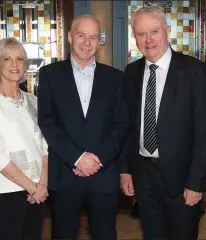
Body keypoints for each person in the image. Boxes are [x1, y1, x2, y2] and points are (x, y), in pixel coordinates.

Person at [119, 6, 206, 240]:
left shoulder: (194, 70)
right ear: (135, 38)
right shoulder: (131, 72)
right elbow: (126, 127)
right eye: (141, 34)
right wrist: (125, 170)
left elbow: (204, 132)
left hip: (182, 180)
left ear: (166, 31)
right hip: (143, 177)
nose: (148, 40)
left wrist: (196, 182)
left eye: (154, 31)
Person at [38, 15, 130, 239]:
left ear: (99, 42)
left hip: (104, 175)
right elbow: (47, 121)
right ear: (70, 37)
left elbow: (121, 124)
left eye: (93, 37)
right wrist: (78, 158)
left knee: (105, 234)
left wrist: (97, 159)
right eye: (81, 35)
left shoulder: (115, 78)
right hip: (65, 174)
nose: (87, 42)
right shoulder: (50, 75)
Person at [0, 37, 49, 240]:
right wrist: (31, 187)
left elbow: (45, 146)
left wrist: (42, 184)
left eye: (20, 59)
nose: (14, 65)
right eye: (7, 58)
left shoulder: (33, 100)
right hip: (7, 192)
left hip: (37, 190)